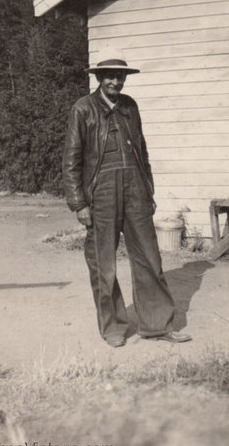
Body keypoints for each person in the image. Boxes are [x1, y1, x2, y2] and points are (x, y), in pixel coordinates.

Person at [62, 46, 192, 348]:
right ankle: (114, 328)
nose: (115, 83)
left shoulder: (130, 107)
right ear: (99, 78)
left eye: (119, 77)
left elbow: (142, 151)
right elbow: (71, 160)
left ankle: (157, 325)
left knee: (149, 257)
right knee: (103, 265)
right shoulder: (83, 109)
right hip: (101, 193)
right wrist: (78, 203)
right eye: (109, 77)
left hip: (135, 190)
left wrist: (148, 189)